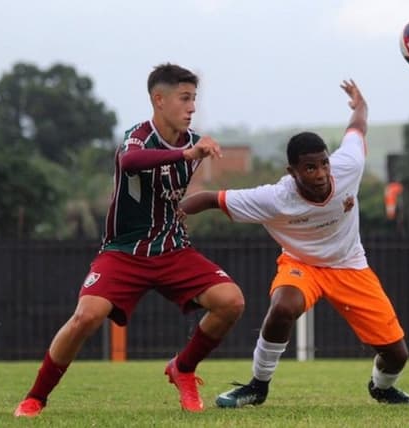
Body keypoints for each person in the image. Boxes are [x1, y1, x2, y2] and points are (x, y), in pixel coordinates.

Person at [14, 63, 245, 417]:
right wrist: (185, 154)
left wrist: (192, 200)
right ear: (159, 99)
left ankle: (183, 367)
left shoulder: (194, 143)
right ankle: (36, 397)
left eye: (194, 99)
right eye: (185, 99)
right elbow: (130, 161)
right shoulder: (138, 136)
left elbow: (171, 191)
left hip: (172, 249)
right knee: (86, 317)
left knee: (231, 301)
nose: (192, 107)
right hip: (123, 251)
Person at [178, 79, 409, 407]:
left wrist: (360, 104)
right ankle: (257, 386)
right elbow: (210, 198)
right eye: (309, 167)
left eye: (323, 164)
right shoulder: (275, 198)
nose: (320, 173)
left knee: (397, 354)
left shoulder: (349, 166)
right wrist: (172, 213)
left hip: (350, 265)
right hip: (301, 264)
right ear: (292, 171)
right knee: (283, 307)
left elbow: (358, 127)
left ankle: (382, 387)